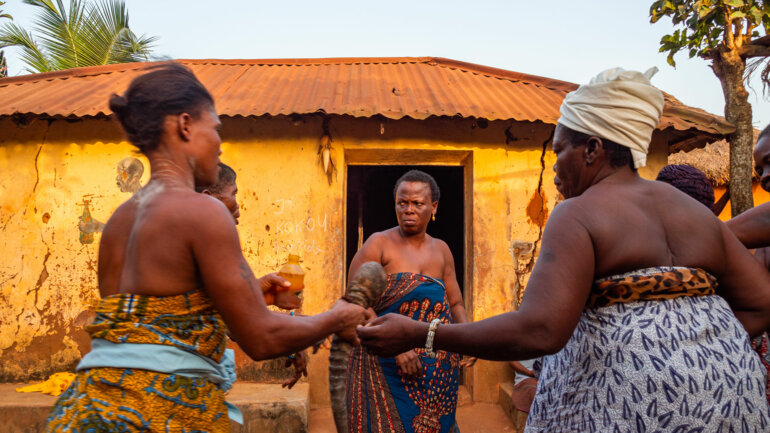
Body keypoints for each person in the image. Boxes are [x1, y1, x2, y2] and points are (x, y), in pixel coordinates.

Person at [358, 67, 770, 431]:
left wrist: (424, 334)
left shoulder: (579, 213)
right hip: (731, 399)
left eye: (559, 150)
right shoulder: (694, 214)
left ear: (592, 149)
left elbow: (541, 330)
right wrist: (689, 346)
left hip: (634, 406)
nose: (553, 166)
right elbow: (761, 303)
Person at [45, 64, 368, 432]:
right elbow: (262, 338)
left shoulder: (120, 220)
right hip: (160, 415)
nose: (219, 143)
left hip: (90, 411)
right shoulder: (204, 211)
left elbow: (152, 326)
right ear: (185, 126)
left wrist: (249, 296)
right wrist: (338, 317)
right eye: (215, 129)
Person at [345, 169, 472, 433]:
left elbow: (455, 303)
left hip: (436, 376)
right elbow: (354, 301)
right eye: (402, 203)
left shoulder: (442, 250)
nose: (408, 210)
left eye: (417, 203)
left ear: (433, 206)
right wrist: (396, 348)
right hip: (385, 367)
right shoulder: (378, 244)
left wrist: (467, 338)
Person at [195, 161, 309, 389]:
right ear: (210, 199)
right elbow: (249, 327)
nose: (238, 206)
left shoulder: (202, 241)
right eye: (233, 194)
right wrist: (329, 325)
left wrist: (258, 293)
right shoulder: (206, 242)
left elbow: (226, 311)